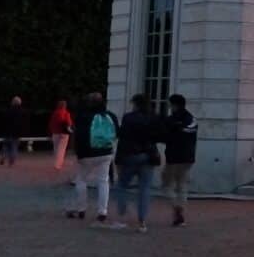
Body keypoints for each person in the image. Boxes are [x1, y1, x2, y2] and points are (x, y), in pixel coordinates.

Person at [67, 93, 119, 224]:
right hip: (106, 151)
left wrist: (77, 151)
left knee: (81, 179)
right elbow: (116, 132)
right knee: (103, 181)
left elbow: (77, 134)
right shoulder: (110, 115)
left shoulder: (83, 116)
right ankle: (102, 211)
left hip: (87, 153)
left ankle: (81, 209)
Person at [114, 94, 161, 232]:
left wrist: (118, 160)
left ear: (136, 104)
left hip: (130, 156)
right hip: (148, 156)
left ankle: (122, 208)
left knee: (121, 185)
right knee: (145, 189)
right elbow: (158, 136)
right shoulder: (153, 118)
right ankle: (142, 220)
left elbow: (122, 139)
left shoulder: (128, 118)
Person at [162, 93, 198, 226]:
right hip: (188, 157)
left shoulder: (170, 120)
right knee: (182, 185)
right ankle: (180, 209)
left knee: (166, 185)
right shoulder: (191, 119)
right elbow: (190, 131)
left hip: (173, 157)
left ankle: (176, 207)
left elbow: (164, 136)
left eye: (170, 104)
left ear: (174, 105)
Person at [48, 98, 74, 171]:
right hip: (64, 133)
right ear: (65, 106)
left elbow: (51, 124)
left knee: (56, 148)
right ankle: (58, 164)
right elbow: (69, 123)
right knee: (61, 149)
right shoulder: (66, 113)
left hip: (55, 133)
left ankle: (57, 162)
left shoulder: (55, 113)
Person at [0, 96, 26, 167]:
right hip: (16, 133)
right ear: (20, 103)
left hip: (7, 131)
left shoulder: (8, 110)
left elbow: (4, 121)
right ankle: (11, 161)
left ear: (13, 102)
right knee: (14, 147)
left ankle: (3, 156)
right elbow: (23, 124)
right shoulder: (22, 111)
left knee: (5, 146)